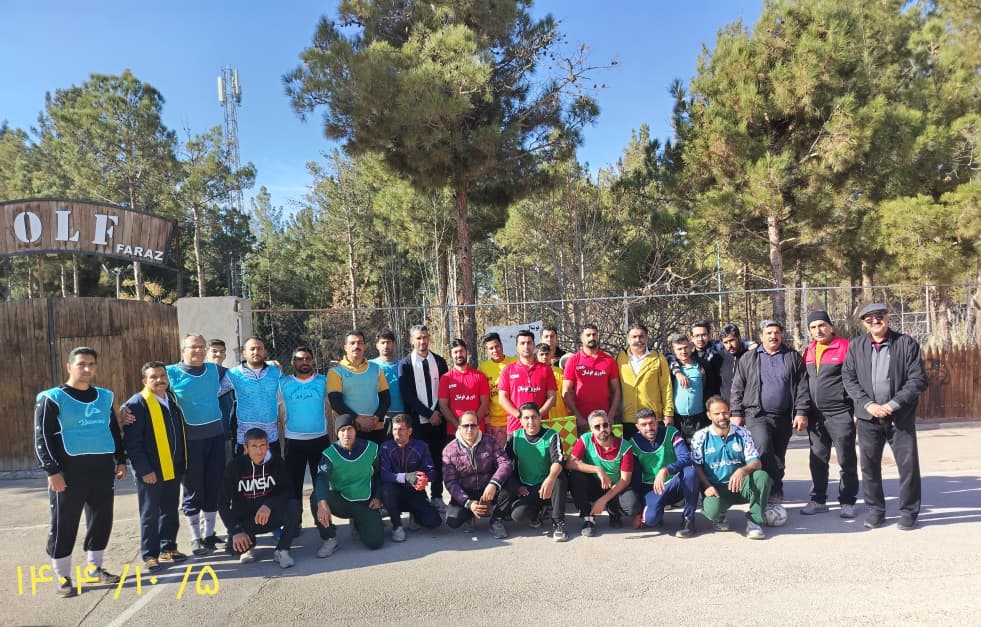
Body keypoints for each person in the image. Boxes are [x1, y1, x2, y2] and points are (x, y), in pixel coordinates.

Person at [34, 346, 126, 597]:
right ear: (69, 367)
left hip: (101, 469)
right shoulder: (52, 398)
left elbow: (113, 430)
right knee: (64, 523)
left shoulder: (104, 396)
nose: (87, 369)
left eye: (91, 364)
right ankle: (63, 576)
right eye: (81, 364)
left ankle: (94, 568)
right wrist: (52, 471)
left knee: (101, 520)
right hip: (68, 472)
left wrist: (120, 460)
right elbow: (42, 437)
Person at [842, 303, 928, 530]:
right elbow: (848, 378)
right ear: (864, 324)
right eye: (869, 319)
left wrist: (892, 404)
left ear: (888, 318)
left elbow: (917, 380)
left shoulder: (906, 343)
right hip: (868, 417)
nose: (875, 321)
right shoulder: (856, 346)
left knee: (908, 466)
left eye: (879, 316)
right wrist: (868, 404)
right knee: (869, 466)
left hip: (899, 417)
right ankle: (876, 511)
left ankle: (909, 512)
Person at [165, 334, 233, 555]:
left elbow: (242, 373)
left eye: (202, 347)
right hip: (189, 442)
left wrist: (270, 363)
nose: (198, 350)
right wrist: (127, 409)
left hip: (216, 437)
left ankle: (209, 534)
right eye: (193, 347)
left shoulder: (214, 370)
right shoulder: (170, 372)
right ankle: (195, 538)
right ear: (182, 350)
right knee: (193, 489)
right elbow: (149, 393)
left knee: (214, 486)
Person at [729, 320, 810, 504]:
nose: (773, 336)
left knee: (779, 456)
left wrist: (801, 411)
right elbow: (737, 387)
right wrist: (737, 412)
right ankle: (771, 491)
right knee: (764, 448)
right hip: (757, 415)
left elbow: (802, 386)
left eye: (777, 332)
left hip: (784, 416)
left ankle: (774, 487)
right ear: (761, 336)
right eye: (769, 333)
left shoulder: (792, 357)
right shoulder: (749, 358)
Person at [122, 362, 189, 572]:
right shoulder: (137, 404)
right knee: (149, 513)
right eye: (153, 377)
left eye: (162, 376)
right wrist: (144, 470)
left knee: (169, 509)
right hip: (151, 470)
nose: (159, 380)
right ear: (144, 381)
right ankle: (150, 555)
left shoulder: (172, 399)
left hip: (173, 465)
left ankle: (168, 547)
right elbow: (132, 443)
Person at [800, 311, 858, 518]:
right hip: (816, 416)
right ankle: (818, 500)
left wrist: (856, 410)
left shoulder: (846, 347)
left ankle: (847, 501)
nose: (818, 330)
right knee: (817, 459)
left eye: (822, 325)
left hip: (840, 413)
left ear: (831, 326)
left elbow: (856, 380)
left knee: (846, 459)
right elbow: (803, 382)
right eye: (813, 327)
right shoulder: (808, 350)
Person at [691, 396, 772, 540]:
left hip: (741, 485)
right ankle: (720, 518)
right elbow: (696, 466)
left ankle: (754, 522)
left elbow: (756, 463)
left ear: (729, 412)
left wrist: (742, 471)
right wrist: (706, 486)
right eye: (717, 414)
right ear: (709, 415)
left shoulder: (743, 433)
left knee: (762, 477)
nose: (722, 417)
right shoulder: (700, 436)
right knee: (712, 511)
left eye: (725, 412)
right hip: (717, 489)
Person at [218, 428, 299, 568]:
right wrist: (236, 531)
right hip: (245, 520)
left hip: (269, 515)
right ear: (246, 448)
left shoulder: (276, 462)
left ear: (268, 445)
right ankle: (249, 547)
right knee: (235, 549)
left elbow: (287, 491)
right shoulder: (234, 467)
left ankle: (282, 550)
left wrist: (269, 505)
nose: (259, 451)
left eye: (262, 445)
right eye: (254, 446)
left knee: (293, 505)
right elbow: (222, 503)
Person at [312, 414, 385, 556]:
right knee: (317, 498)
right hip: (342, 502)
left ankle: (359, 522)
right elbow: (321, 478)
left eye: (350, 429)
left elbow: (379, 475)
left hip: (366, 503)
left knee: (375, 542)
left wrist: (378, 497)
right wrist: (322, 503)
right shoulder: (329, 454)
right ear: (337, 433)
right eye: (342, 430)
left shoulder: (371, 448)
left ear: (355, 431)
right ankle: (329, 539)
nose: (346, 433)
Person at [398, 325, 449, 512]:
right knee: (418, 460)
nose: (422, 341)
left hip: (439, 420)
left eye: (425, 337)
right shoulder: (405, 364)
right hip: (417, 421)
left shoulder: (440, 361)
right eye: (418, 338)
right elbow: (408, 395)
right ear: (412, 340)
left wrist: (437, 413)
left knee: (437, 459)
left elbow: (444, 391)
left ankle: (437, 496)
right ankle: (421, 497)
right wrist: (428, 414)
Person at [627, 408, 699, 537]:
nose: (649, 428)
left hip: (674, 482)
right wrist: (637, 512)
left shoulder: (671, 432)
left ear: (657, 422)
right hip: (652, 488)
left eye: (652, 423)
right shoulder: (633, 443)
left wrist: (666, 470)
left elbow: (686, 457)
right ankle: (657, 510)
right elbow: (636, 478)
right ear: (637, 426)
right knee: (651, 520)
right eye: (644, 425)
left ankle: (689, 520)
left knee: (690, 472)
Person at [442, 410, 514, 538]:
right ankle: (469, 514)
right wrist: (468, 503)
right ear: (459, 427)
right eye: (466, 426)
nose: (469, 429)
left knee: (510, 484)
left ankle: (496, 520)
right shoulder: (449, 450)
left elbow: (505, 463)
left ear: (478, 426)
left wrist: (494, 483)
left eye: (473, 425)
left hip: (488, 489)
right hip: (466, 491)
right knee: (453, 520)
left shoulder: (490, 441)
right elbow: (450, 482)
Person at [566, 410, 638, 536]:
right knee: (575, 476)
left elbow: (625, 480)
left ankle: (614, 512)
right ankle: (588, 518)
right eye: (597, 427)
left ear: (610, 425)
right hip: (594, 484)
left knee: (632, 506)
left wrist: (603, 500)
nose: (602, 429)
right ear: (591, 429)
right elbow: (570, 463)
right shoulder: (585, 439)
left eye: (605, 425)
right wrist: (598, 470)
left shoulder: (625, 446)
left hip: (615, 487)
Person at [280, 346, 330, 525]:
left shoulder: (323, 381)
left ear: (313, 361)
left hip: (320, 438)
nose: (304, 362)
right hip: (294, 440)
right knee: (294, 485)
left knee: (321, 483)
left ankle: (322, 522)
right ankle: (295, 522)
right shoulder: (283, 383)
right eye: (300, 359)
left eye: (308, 358)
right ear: (293, 362)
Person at [504, 403, 568, 541]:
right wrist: (517, 486)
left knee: (559, 477)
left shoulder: (552, 435)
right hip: (528, 487)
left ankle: (558, 522)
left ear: (540, 417)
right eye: (526, 418)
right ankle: (536, 513)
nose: (530, 421)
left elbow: (558, 461)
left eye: (534, 417)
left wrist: (550, 479)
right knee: (518, 515)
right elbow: (505, 466)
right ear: (520, 420)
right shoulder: (515, 438)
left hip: (549, 485)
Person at [379, 414, 443, 542]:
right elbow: (384, 474)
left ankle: (415, 515)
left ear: (410, 431)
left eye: (401, 429)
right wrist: (407, 477)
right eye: (394, 429)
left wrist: (424, 478)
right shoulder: (386, 447)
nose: (397, 433)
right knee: (387, 489)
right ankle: (397, 526)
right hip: (394, 493)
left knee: (434, 522)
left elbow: (432, 472)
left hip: (414, 491)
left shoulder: (421, 446)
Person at [328, 330, 391, 445]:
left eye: (360, 343)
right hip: (349, 430)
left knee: (376, 457)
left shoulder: (376, 369)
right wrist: (358, 419)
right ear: (345, 347)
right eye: (352, 343)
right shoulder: (336, 371)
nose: (356, 346)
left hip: (375, 427)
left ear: (365, 346)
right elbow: (335, 402)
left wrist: (376, 418)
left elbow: (386, 398)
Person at [616, 323, 674, 440]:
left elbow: (666, 386)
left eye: (641, 336)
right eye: (634, 337)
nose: (638, 340)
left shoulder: (658, 358)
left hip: (652, 418)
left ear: (647, 338)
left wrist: (668, 413)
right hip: (629, 418)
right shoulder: (620, 358)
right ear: (628, 339)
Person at [563, 324, 621, 434]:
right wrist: (578, 417)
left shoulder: (609, 361)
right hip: (582, 420)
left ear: (598, 336)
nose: (592, 338)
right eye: (588, 335)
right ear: (581, 338)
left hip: (604, 421)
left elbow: (616, 390)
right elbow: (566, 391)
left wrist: (611, 415)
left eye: (594, 335)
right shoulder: (573, 360)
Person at [229, 337, 283, 452]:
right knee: (245, 465)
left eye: (259, 349)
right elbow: (215, 391)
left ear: (264, 352)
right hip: (245, 438)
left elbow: (286, 394)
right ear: (244, 353)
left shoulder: (276, 372)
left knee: (273, 464)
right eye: (252, 349)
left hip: (271, 437)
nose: (256, 352)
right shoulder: (233, 374)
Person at [498, 330, 557, 433]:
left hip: (541, 425)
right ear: (517, 347)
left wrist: (537, 415)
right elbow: (502, 398)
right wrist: (519, 415)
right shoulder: (508, 369)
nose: (526, 346)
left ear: (534, 345)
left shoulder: (546, 369)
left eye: (529, 343)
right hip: (516, 427)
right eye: (522, 343)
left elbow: (552, 397)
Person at [438, 338, 490, 436]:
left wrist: (473, 425)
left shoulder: (479, 376)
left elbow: (485, 403)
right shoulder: (446, 378)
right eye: (455, 352)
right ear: (451, 355)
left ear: (467, 352)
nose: (459, 355)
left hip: (477, 431)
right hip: (454, 432)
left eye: (461, 351)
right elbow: (443, 406)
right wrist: (459, 426)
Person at [667, 333, 710, 444]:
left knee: (699, 446)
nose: (683, 351)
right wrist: (678, 373)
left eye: (685, 347)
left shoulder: (702, 365)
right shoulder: (669, 367)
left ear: (690, 347)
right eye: (679, 349)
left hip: (699, 418)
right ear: (673, 351)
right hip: (678, 419)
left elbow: (709, 387)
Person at [477, 332, 517, 447]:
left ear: (501, 345)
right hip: (495, 422)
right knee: (498, 455)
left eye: (497, 346)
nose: (495, 350)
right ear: (487, 350)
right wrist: (486, 421)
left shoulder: (515, 362)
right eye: (491, 348)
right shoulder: (483, 368)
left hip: (515, 418)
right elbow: (483, 398)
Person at [206, 338, 236, 461]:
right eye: (214, 351)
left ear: (225, 355)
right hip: (202, 432)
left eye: (222, 351)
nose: (218, 354)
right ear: (206, 353)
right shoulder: (198, 374)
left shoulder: (231, 374)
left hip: (225, 431)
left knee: (227, 466)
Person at [371, 329, 405, 420]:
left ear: (394, 344)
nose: (385, 346)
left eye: (388, 342)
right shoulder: (370, 365)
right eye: (382, 343)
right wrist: (338, 365)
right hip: (378, 414)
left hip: (401, 413)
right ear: (377, 345)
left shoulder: (403, 365)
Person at [536, 343, 569, 419]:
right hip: (541, 416)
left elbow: (566, 393)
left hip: (560, 414)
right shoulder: (533, 373)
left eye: (547, 354)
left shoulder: (560, 372)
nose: (544, 357)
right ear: (536, 356)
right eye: (541, 354)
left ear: (551, 355)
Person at [718, 324, 747, 403]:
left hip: (747, 406)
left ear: (739, 338)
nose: (729, 345)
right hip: (726, 406)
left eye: (732, 340)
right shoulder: (718, 358)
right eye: (725, 342)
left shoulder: (749, 356)